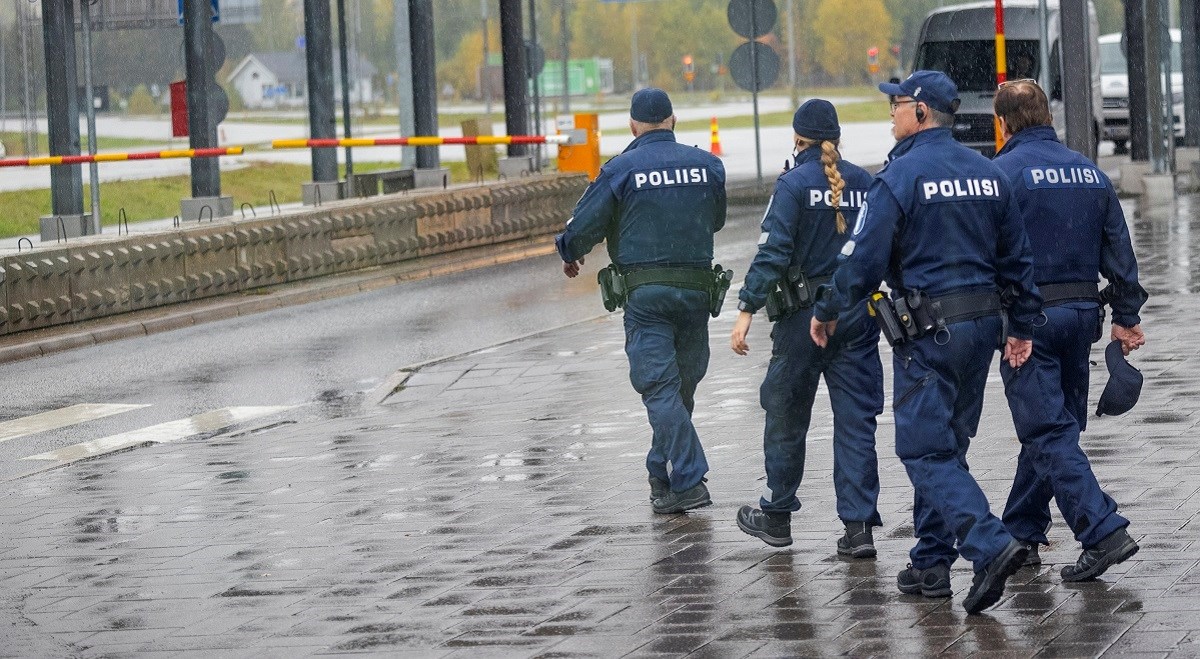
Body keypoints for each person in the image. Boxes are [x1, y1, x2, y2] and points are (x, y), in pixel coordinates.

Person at [809, 70, 1042, 614]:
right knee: (948, 445)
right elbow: (1018, 259)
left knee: (921, 448)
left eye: (897, 105)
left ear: (920, 112)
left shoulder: (899, 177)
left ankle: (989, 544)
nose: (890, 113)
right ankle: (932, 564)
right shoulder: (988, 174)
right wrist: (1023, 326)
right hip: (982, 328)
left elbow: (862, 260)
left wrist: (825, 312)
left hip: (929, 331)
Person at [991, 79, 1146, 581]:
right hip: (1081, 317)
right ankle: (1022, 530)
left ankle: (1102, 530)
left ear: (1004, 123)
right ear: (1047, 115)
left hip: (1028, 323)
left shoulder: (1001, 175)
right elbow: (1119, 253)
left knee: (1046, 430)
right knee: (1056, 427)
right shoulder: (1090, 173)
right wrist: (1126, 316)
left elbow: (987, 255)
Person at [556, 88, 728, 515]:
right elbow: (718, 219)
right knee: (679, 387)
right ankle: (660, 476)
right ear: (673, 120)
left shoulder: (621, 169)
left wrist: (569, 251)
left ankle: (688, 479)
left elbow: (583, 226)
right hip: (696, 292)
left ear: (633, 126)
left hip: (646, 297)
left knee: (659, 386)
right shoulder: (708, 165)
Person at [729, 99, 884, 554]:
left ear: (798, 139)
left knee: (786, 413)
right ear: (836, 137)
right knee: (855, 421)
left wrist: (745, 310)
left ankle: (777, 515)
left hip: (801, 318)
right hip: (857, 315)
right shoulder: (866, 182)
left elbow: (773, 252)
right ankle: (858, 529)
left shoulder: (793, 185)